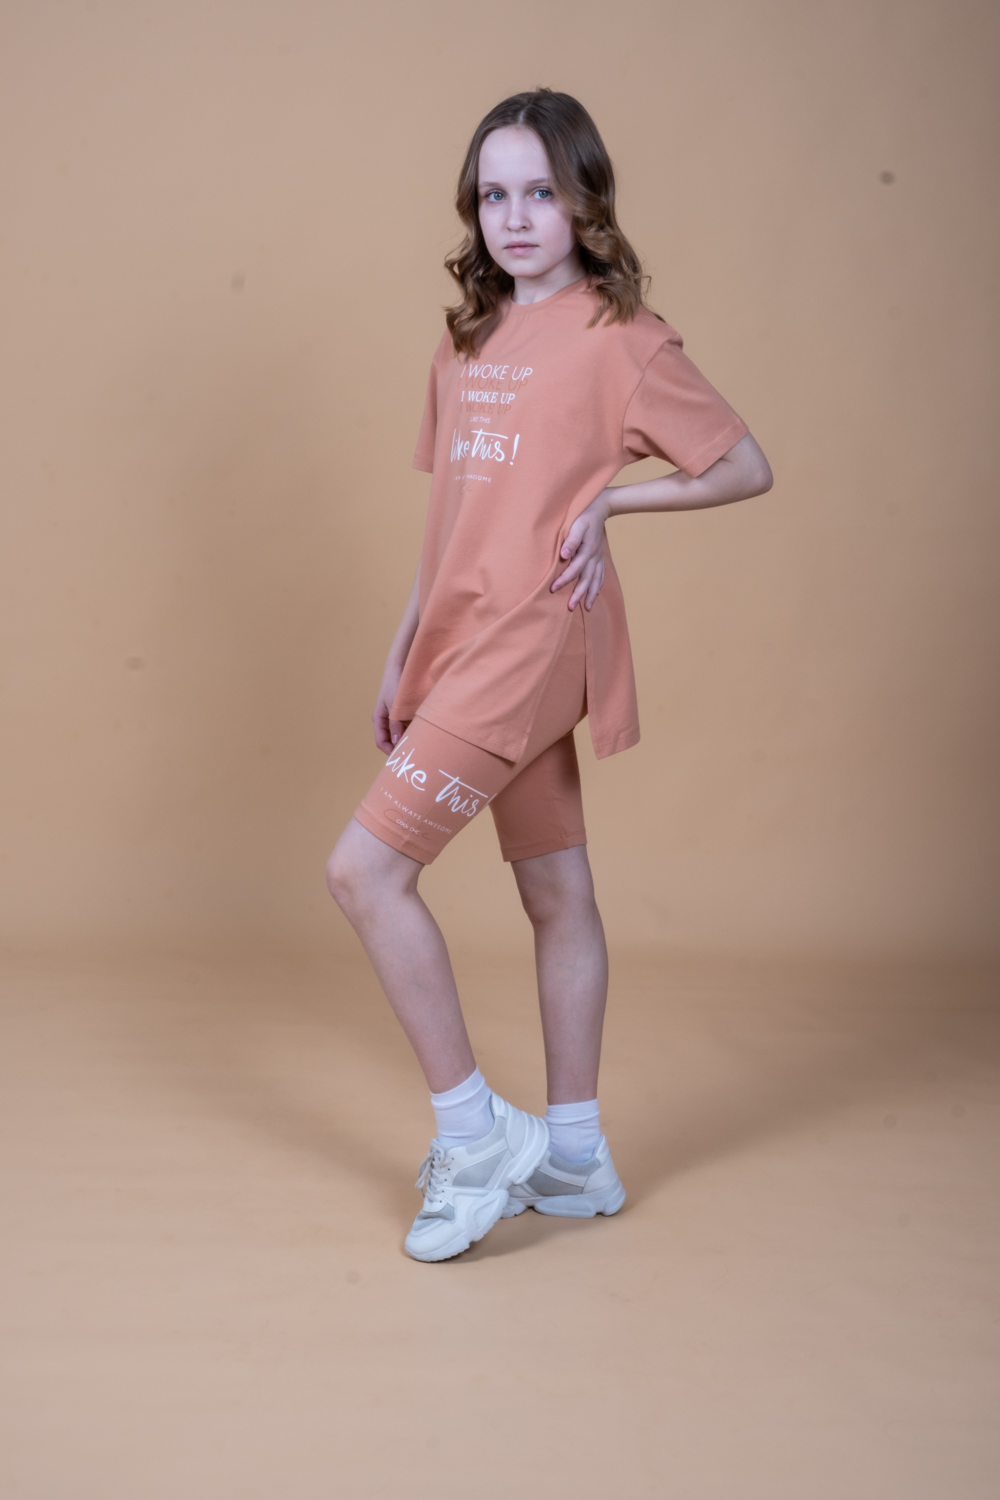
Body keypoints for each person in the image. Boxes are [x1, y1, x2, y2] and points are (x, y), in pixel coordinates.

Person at [326, 89, 772, 1262]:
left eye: (539, 192)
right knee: (555, 890)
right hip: (460, 641)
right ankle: (572, 1156)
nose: (515, 217)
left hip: (532, 641)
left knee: (363, 874)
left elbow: (743, 465)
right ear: (473, 211)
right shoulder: (465, 339)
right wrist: (403, 648)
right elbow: (452, 516)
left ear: (583, 202)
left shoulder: (623, 339)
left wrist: (613, 503)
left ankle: (473, 1138)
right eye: (493, 195)